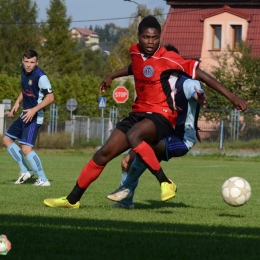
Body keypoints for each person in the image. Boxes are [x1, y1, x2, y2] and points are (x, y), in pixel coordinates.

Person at [43, 15, 247, 209]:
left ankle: (165, 182)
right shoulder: (134, 51)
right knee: (103, 154)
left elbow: (201, 75)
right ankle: (72, 200)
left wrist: (233, 97)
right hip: (138, 113)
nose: (150, 41)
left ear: (160, 37)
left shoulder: (169, 58)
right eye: (146, 37)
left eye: (155, 37)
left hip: (162, 116)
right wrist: (111, 76)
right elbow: (135, 67)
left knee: (134, 137)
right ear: (138, 37)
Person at [107, 73, 205, 208]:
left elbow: (196, 93)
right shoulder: (160, 84)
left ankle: (129, 189)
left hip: (180, 139)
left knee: (143, 143)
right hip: (162, 131)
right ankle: (125, 202)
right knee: (126, 163)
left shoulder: (187, 83)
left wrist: (199, 96)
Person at [2, 50, 54, 186]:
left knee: (26, 149)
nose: (28, 65)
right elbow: (25, 89)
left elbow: (50, 97)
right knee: (7, 139)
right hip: (24, 114)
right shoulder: (24, 72)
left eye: (32, 62)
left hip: (35, 116)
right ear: (22, 61)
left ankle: (43, 179)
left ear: (37, 63)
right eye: (26, 62)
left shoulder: (41, 76)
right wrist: (17, 102)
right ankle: (25, 171)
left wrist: (34, 110)